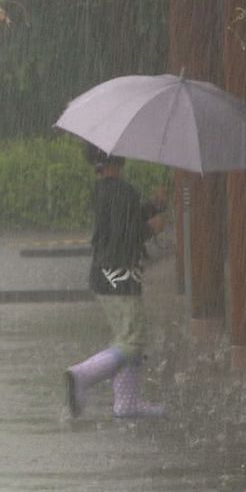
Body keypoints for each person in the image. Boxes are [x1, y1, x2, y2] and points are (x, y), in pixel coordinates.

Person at [64, 148, 166, 418]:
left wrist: (153, 207)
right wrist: (151, 229)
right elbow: (127, 234)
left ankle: (127, 403)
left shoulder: (102, 191)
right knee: (133, 339)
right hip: (120, 275)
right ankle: (83, 375)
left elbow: (122, 221)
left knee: (126, 336)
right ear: (118, 160)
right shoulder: (124, 192)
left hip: (103, 274)